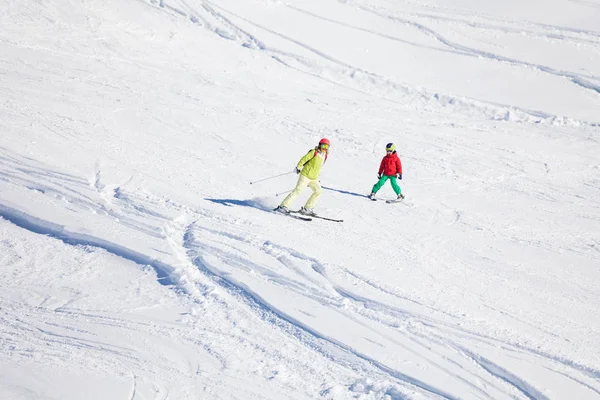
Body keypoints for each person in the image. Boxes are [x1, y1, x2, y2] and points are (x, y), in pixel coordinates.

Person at [275, 138, 330, 216]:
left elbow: (318, 167)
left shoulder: (325, 156)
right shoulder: (314, 152)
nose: (325, 148)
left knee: (318, 191)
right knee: (298, 190)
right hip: (305, 175)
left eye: (327, 146)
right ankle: (283, 206)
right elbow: (304, 159)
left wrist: (317, 177)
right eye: (323, 145)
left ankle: (307, 208)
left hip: (314, 178)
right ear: (320, 145)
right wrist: (298, 166)